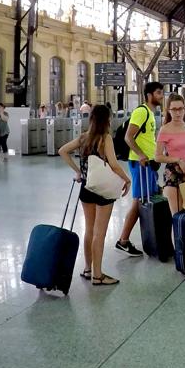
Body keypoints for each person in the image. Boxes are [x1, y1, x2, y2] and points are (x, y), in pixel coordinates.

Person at [60, 104, 130, 286]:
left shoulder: (84, 138)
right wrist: (126, 179)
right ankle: (98, 276)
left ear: (91, 119)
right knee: (100, 233)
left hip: (86, 187)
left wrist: (78, 172)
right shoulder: (105, 138)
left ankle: (88, 268)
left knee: (89, 230)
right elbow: (114, 165)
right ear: (107, 120)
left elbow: (63, 150)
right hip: (103, 190)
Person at [114, 82, 164, 257]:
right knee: (138, 202)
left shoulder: (150, 113)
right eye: (158, 93)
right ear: (149, 95)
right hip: (140, 164)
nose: (161, 96)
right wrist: (141, 154)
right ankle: (123, 240)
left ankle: (150, 237)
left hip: (149, 165)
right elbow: (128, 137)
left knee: (147, 200)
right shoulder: (141, 111)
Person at [154, 94, 185, 215]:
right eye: (174, 109)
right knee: (178, 215)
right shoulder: (165, 129)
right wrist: (178, 160)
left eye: (180, 109)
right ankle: (177, 235)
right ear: (168, 110)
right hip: (173, 173)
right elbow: (157, 156)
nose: (178, 113)